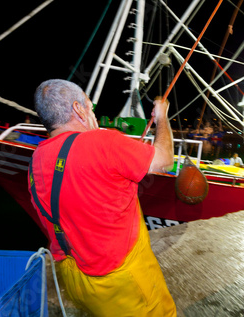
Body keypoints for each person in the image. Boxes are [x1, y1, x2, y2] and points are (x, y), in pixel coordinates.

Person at [28, 79, 176, 316]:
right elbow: (165, 160)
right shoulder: (104, 142)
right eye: (90, 107)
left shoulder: (37, 158)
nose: (93, 115)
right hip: (120, 280)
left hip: (74, 278)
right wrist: (162, 117)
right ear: (78, 109)